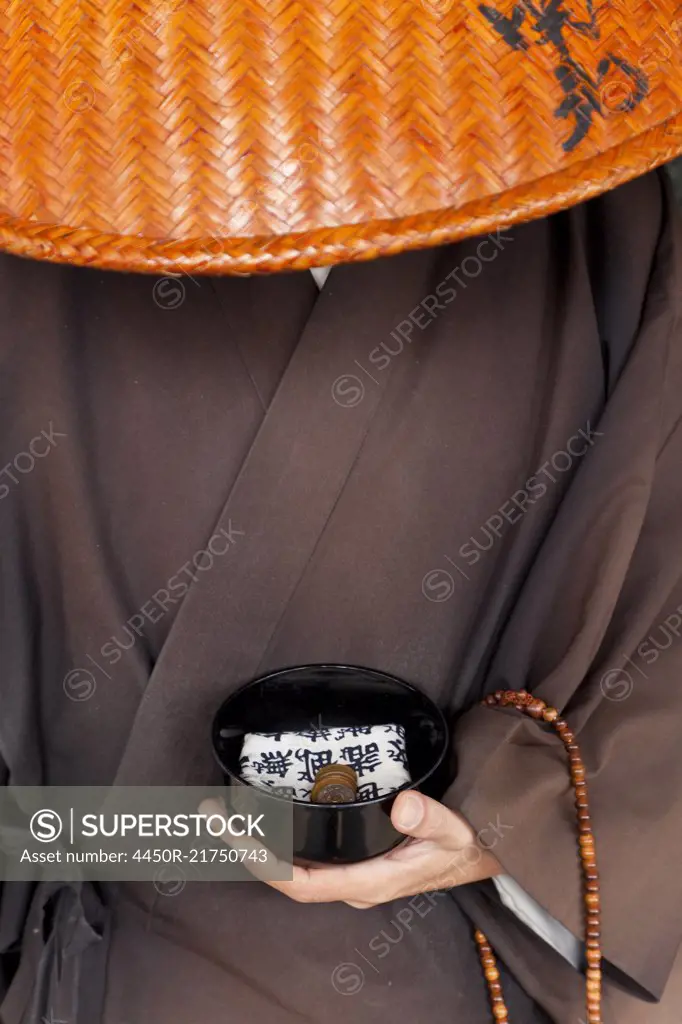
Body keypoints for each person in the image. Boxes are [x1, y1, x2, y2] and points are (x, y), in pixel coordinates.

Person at [1, 164, 682, 1024]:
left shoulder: (584, 179)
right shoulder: (30, 188)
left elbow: (664, 583)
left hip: (475, 970)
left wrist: (510, 822)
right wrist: (118, 838)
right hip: (122, 975)